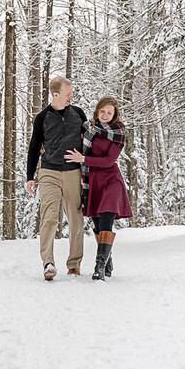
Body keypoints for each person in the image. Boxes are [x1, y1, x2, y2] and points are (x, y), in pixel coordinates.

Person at [64, 96, 132, 281]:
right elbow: (69, 138)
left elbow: (109, 160)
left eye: (109, 112)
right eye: (102, 111)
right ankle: (107, 260)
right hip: (92, 181)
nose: (105, 115)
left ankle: (99, 267)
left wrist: (84, 159)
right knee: (97, 224)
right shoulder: (87, 128)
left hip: (111, 179)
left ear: (114, 114)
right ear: (97, 111)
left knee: (107, 218)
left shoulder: (118, 131)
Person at [26, 76, 87, 280]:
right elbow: (34, 148)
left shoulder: (78, 114)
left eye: (71, 93)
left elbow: (90, 140)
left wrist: (85, 159)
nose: (71, 97)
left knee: (75, 219)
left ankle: (74, 264)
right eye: (68, 93)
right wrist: (30, 176)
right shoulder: (42, 117)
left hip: (73, 172)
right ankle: (48, 263)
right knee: (50, 218)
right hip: (49, 172)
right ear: (56, 94)